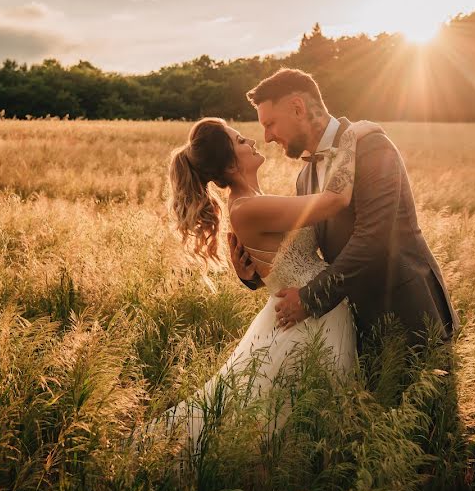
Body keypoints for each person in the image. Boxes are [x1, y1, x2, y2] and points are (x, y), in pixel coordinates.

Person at [145, 116, 382, 447]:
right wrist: (352, 138)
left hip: (317, 308)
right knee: (292, 420)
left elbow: (277, 259)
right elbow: (334, 201)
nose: (253, 141)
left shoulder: (256, 198)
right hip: (308, 318)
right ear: (228, 165)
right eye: (241, 141)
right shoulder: (247, 207)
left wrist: (252, 276)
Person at [232, 68, 459, 357]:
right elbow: (300, 253)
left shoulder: (371, 146)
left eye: (271, 124)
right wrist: (252, 272)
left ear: (298, 108)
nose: (267, 137)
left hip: (409, 315)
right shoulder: (305, 175)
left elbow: (374, 238)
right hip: (356, 329)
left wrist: (309, 299)